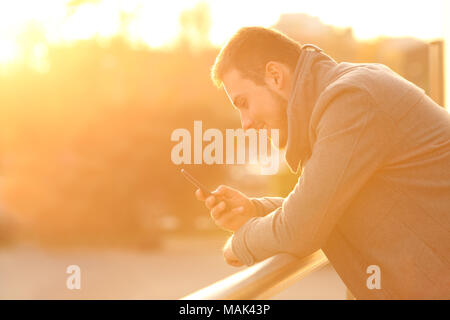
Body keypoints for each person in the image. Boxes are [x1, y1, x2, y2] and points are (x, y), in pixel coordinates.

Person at [195, 26, 450, 299]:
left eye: (244, 102)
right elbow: (328, 206)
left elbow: (300, 229)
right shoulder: (343, 95)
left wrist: (237, 243)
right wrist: (253, 210)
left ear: (274, 75)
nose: (245, 124)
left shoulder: (351, 99)